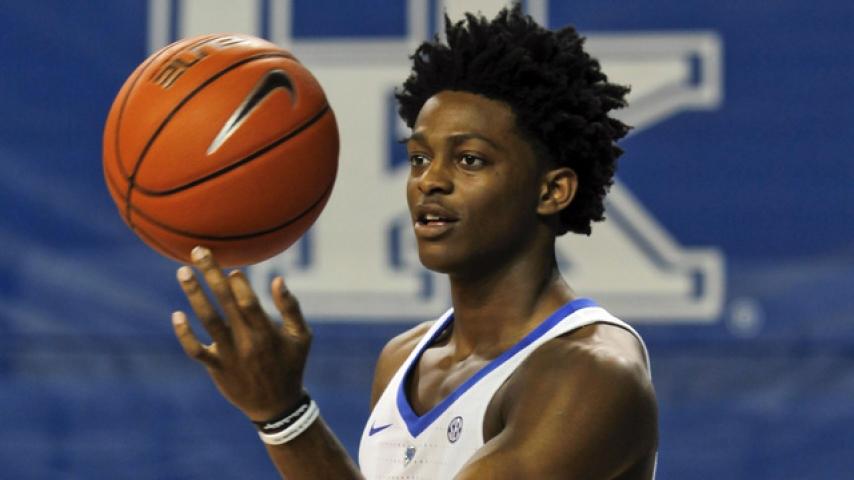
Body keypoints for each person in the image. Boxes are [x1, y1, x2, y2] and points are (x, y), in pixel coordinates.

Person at [170, 5, 658, 479]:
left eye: (469, 160)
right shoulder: (403, 359)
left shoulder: (594, 374)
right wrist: (279, 415)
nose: (430, 181)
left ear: (552, 191)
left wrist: (284, 416)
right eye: (419, 158)